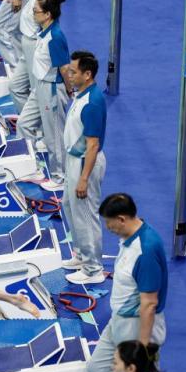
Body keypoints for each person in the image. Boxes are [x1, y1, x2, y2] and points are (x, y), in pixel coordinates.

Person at [83, 194, 168, 372]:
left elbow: (149, 303)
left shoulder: (146, 249)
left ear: (121, 219)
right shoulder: (128, 237)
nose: (107, 228)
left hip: (138, 326)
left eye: (108, 223)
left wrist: (142, 347)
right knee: (98, 369)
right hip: (119, 321)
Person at [60, 52, 107, 285]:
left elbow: (93, 144)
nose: (68, 74)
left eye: (73, 71)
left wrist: (84, 178)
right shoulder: (82, 94)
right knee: (69, 206)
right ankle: (81, 254)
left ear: (87, 74)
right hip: (74, 160)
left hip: (84, 163)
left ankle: (93, 269)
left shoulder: (92, 103)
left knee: (86, 216)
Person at [16, 0, 70, 192]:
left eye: (35, 11)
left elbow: (64, 68)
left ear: (47, 15)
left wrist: (69, 90)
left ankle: (60, 177)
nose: (32, 14)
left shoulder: (55, 37)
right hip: (39, 86)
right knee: (23, 124)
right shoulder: (44, 32)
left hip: (51, 89)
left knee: (53, 135)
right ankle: (32, 168)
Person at [8, 0, 52, 114]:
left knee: (36, 91)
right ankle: (27, 122)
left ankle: (37, 125)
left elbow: (50, 27)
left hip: (35, 47)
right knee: (15, 87)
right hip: (27, 46)